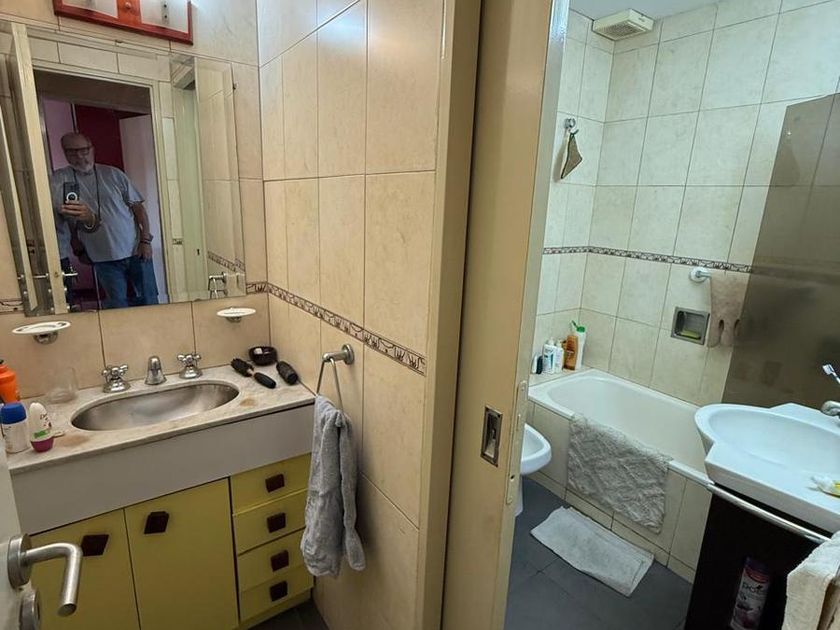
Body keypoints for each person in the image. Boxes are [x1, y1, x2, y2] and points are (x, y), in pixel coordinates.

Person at [50, 132, 159, 309]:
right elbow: (67, 222)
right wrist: (78, 249)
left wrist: (145, 241)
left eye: (84, 150)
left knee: (149, 300)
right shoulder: (59, 180)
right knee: (117, 305)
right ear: (64, 153)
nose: (80, 156)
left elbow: (139, 209)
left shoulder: (113, 174)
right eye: (72, 152)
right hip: (102, 258)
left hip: (136, 251)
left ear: (92, 149)